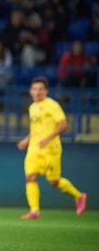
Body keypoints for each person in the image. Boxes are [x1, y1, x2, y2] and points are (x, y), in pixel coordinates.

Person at [17, 77, 87, 219]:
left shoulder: (51, 105)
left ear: (46, 91)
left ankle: (79, 196)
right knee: (30, 177)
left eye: (41, 89)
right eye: (35, 89)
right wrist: (26, 140)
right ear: (30, 91)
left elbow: (63, 124)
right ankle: (34, 211)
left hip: (51, 149)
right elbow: (36, 129)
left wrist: (47, 139)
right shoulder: (32, 107)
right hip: (35, 148)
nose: (37, 92)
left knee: (54, 181)